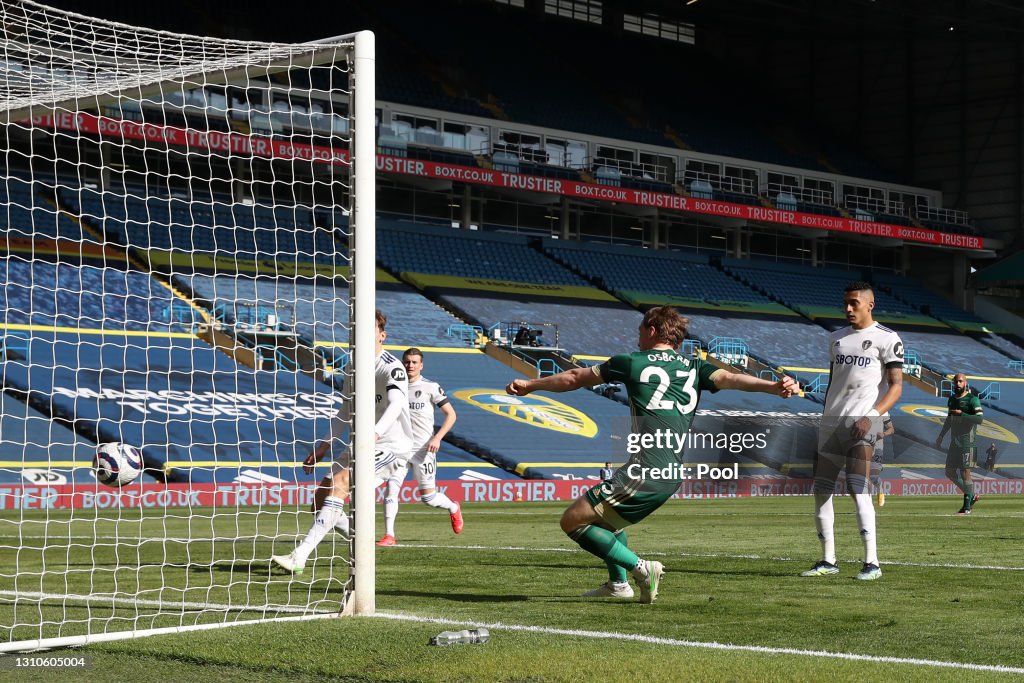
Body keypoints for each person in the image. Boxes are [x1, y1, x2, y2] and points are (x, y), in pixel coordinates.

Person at [506, 306, 797, 603]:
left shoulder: (631, 362)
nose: (637, 338)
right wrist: (773, 387)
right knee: (607, 522)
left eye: (640, 331)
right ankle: (618, 585)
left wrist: (531, 384)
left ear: (653, 330)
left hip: (646, 470)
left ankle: (642, 568)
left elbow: (573, 377)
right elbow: (730, 378)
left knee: (573, 521)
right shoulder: (695, 366)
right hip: (668, 472)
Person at [272, 310, 412, 575]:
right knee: (319, 501)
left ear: (382, 334)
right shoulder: (353, 366)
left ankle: (299, 556)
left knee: (340, 484)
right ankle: (361, 538)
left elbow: (396, 405)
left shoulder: (391, 366)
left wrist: (375, 433)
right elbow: (346, 411)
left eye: (371, 327)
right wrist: (324, 445)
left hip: (391, 445)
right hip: (363, 443)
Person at [803, 282, 903, 581]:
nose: (848, 308)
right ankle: (827, 560)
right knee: (821, 491)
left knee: (858, 489)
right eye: (845, 303)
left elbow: (896, 385)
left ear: (870, 305)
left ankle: (872, 563)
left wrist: (874, 416)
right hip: (831, 423)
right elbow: (835, 384)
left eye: (854, 303)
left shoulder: (887, 339)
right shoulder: (836, 339)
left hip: (863, 423)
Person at [377, 348, 463, 546]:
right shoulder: (393, 387)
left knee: (429, 498)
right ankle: (389, 535)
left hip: (424, 449)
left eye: (414, 362)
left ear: (421, 365)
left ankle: (453, 507)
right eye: (407, 362)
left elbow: (451, 415)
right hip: (399, 447)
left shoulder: (430, 387)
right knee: (391, 488)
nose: (410, 366)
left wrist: (438, 438)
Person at [935, 373, 984, 515]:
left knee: (965, 473)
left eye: (960, 381)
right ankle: (972, 496)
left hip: (967, 442)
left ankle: (966, 508)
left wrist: (962, 414)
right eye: (955, 381)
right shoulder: (951, 400)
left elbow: (980, 419)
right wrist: (941, 435)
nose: (957, 384)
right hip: (954, 443)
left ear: (965, 383)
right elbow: (949, 419)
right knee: (949, 472)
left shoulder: (972, 400)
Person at [871, 414, 895, 507]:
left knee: (873, 477)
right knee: (862, 477)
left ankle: (880, 489)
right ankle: (866, 504)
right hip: (861, 444)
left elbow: (891, 429)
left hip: (877, 447)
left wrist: (883, 434)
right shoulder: (861, 404)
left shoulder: (883, 409)